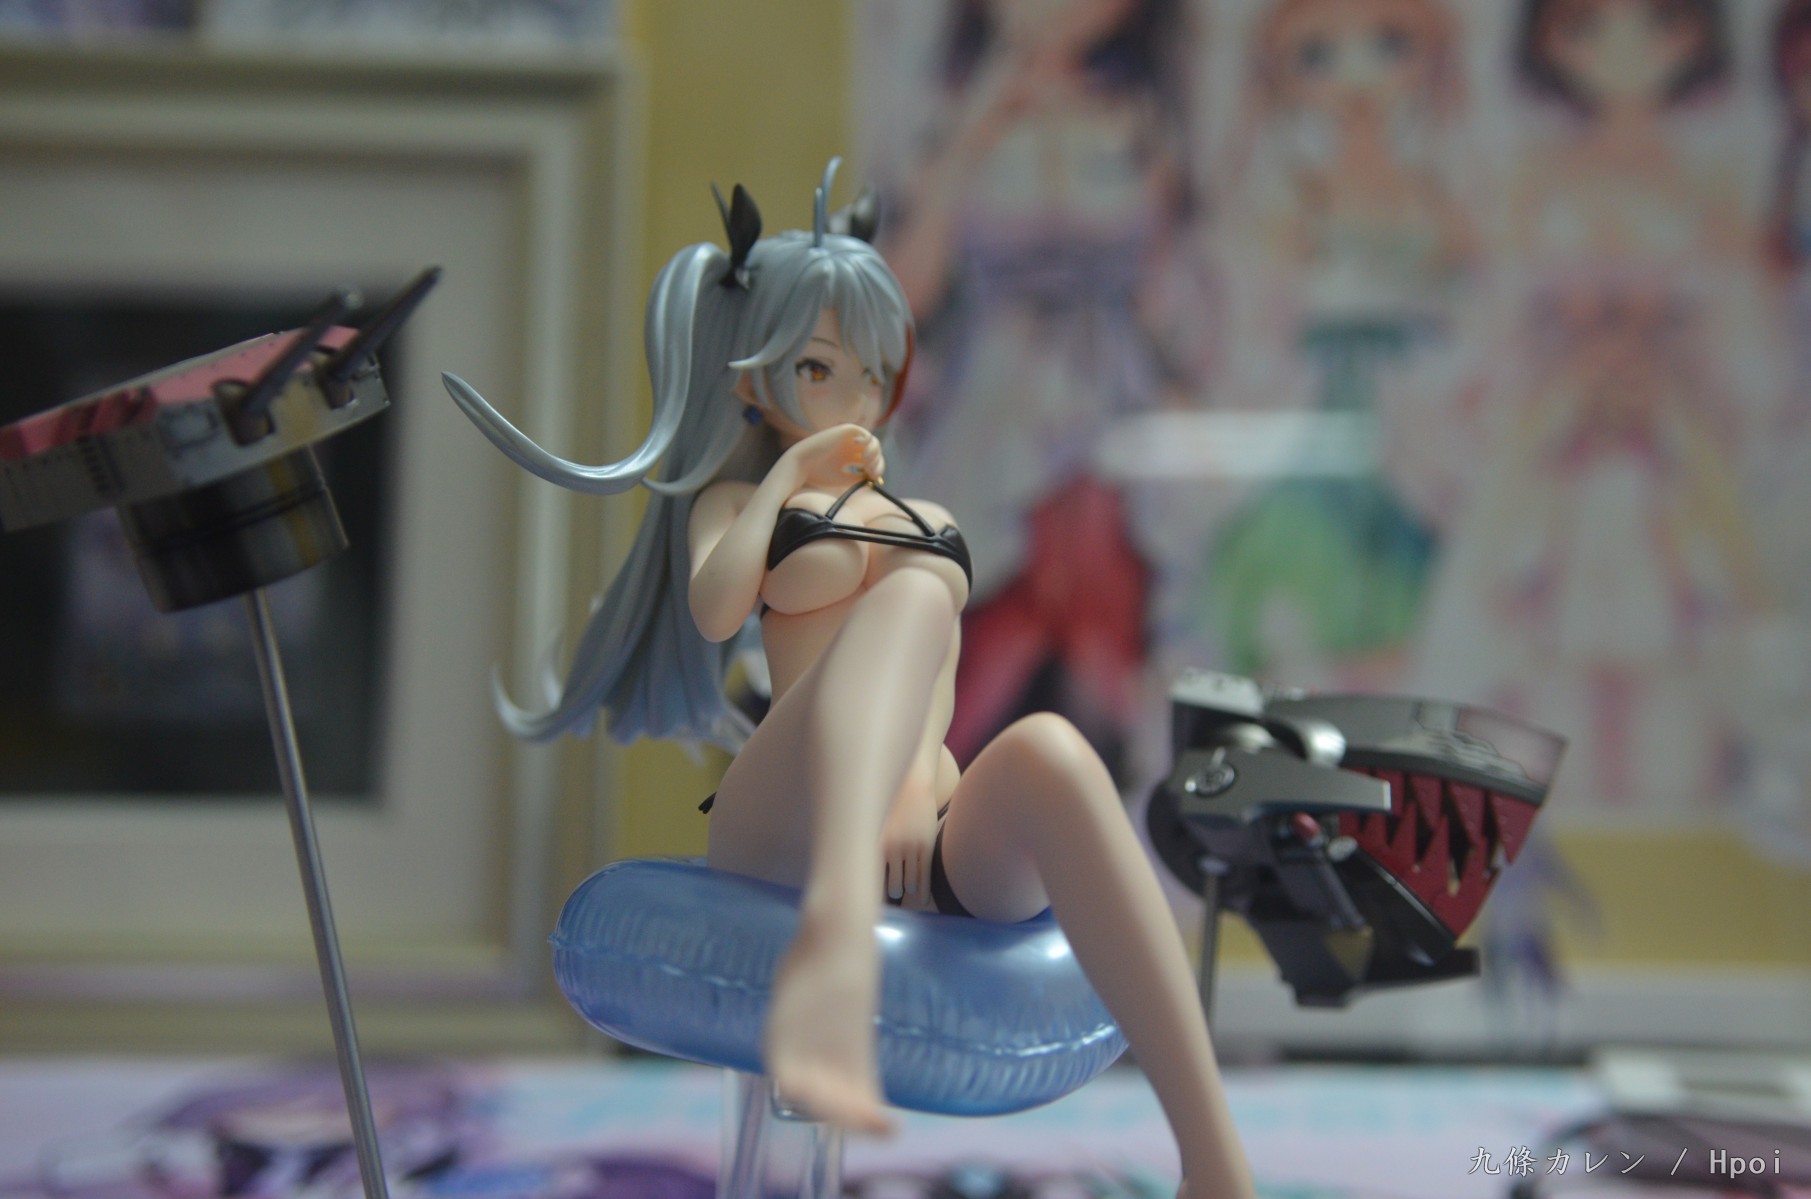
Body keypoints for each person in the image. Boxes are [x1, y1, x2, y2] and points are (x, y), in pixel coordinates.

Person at [443, 164, 1253, 1199]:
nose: (857, 399)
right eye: (822, 369)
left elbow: (931, 681)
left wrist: (914, 794)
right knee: (908, 598)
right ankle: (833, 928)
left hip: (922, 832)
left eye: (873, 374)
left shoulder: (923, 518)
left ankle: (1213, 1161)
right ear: (754, 382)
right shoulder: (737, 503)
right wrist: (788, 476)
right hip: (787, 824)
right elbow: (715, 610)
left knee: (1050, 745)